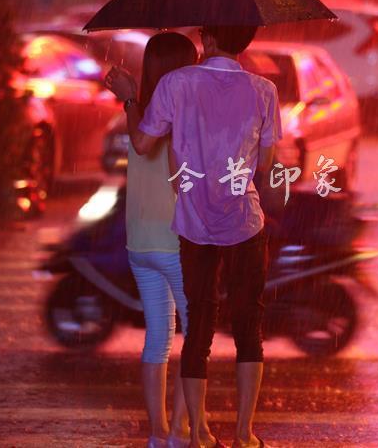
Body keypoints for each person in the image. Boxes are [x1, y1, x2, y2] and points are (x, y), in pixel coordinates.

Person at [107, 25, 280, 448]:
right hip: (243, 222)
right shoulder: (264, 90)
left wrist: (135, 101)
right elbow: (267, 162)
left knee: (192, 331)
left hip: (188, 228)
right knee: (248, 327)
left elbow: (144, 143)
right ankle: (244, 434)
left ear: (208, 39)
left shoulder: (175, 86)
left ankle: (192, 433)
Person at [105, 32, 201, 448]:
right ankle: (180, 431)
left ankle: (157, 433)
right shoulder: (182, 114)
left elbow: (141, 142)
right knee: (196, 337)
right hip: (174, 241)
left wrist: (129, 97)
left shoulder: (139, 112)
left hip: (139, 242)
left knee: (158, 335)